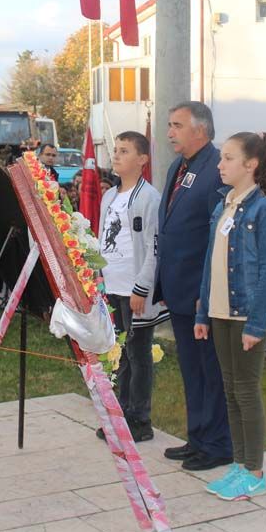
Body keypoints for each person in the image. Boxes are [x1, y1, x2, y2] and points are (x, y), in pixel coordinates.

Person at [195, 131, 266, 501]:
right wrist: (202, 311)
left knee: (246, 390)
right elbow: (209, 265)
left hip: (246, 314)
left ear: (251, 164)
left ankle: (255, 471)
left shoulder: (264, 211)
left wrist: (257, 324)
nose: (220, 164)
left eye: (228, 158)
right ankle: (239, 464)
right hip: (220, 312)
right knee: (230, 390)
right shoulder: (223, 206)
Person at [155, 101, 232, 472]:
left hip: (202, 291)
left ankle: (218, 444)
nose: (169, 132)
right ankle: (198, 437)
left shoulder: (216, 169)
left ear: (200, 130)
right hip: (179, 288)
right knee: (191, 368)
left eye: (176, 125)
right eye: (169, 125)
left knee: (209, 370)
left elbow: (216, 236)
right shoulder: (179, 166)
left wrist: (208, 289)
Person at [96, 131, 164, 443]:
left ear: (142, 160)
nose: (117, 155)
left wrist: (142, 288)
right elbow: (102, 239)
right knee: (120, 352)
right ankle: (120, 414)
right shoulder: (110, 196)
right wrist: (97, 274)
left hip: (135, 289)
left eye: (124, 151)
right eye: (116, 150)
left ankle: (140, 418)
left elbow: (153, 247)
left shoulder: (150, 198)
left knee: (138, 353)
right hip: (112, 285)